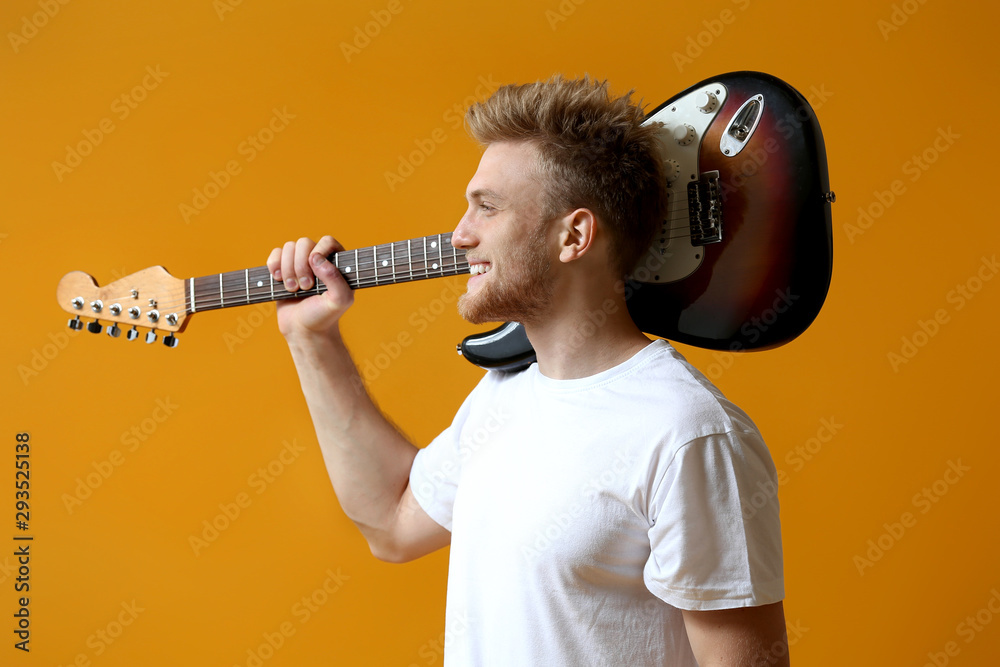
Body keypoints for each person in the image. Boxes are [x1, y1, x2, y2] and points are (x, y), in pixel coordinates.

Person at [266, 75, 788, 666]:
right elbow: (390, 524)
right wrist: (311, 339)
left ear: (574, 235)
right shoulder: (503, 396)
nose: (460, 235)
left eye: (487, 208)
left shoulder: (687, 433)